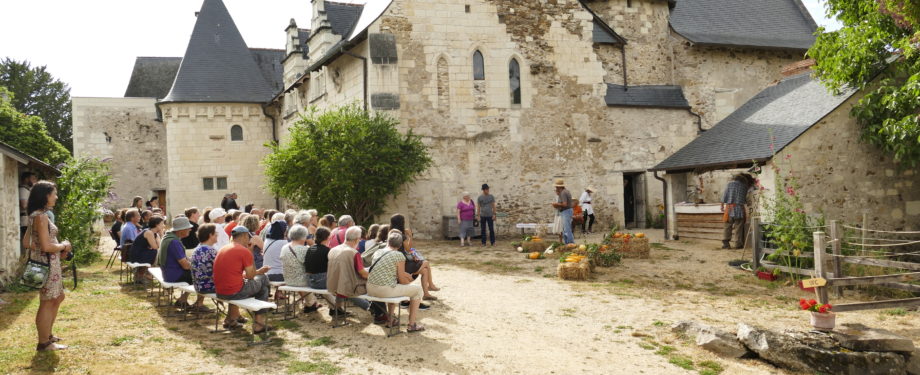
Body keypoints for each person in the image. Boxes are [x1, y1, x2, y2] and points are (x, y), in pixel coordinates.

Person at [23, 181, 72, 351]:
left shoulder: (36, 214)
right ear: (45, 196)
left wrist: (55, 249)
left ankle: (48, 335)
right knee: (48, 301)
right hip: (48, 264)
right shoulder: (41, 217)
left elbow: (26, 242)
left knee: (57, 297)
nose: (56, 197)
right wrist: (63, 246)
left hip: (48, 262)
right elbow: (46, 246)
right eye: (54, 194)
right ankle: (44, 342)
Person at [213, 226, 271, 332]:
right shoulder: (244, 251)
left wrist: (257, 272)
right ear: (244, 236)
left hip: (220, 291)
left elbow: (235, 274)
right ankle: (259, 323)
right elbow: (250, 276)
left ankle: (230, 319)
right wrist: (250, 253)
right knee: (263, 281)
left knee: (256, 281)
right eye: (248, 237)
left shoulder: (224, 248)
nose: (249, 240)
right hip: (234, 292)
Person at [326, 226, 388, 323]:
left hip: (333, 285)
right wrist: (375, 277)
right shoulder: (353, 253)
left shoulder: (333, 250)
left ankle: (338, 309)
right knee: (376, 284)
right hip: (350, 287)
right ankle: (380, 314)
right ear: (357, 239)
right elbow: (363, 274)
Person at [367, 230, 426, 332]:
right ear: (400, 245)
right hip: (385, 290)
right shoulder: (398, 255)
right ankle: (412, 325)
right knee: (417, 290)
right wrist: (410, 279)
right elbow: (402, 281)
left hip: (370, 288)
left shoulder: (378, 252)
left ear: (388, 242)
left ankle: (391, 320)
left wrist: (404, 277)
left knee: (395, 285)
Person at [159, 217, 209, 312]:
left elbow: (182, 260)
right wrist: (199, 267)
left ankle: (182, 300)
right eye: (188, 228)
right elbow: (185, 265)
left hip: (168, 272)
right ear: (181, 230)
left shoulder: (169, 237)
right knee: (205, 276)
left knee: (198, 273)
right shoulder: (174, 242)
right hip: (174, 274)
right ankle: (199, 304)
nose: (190, 229)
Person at [389, 214, 439, 302]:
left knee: (425, 270)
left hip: (399, 262)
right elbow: (408, 249)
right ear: (401, 223)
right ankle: (430, 285)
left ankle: (426, 294)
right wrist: (410, 236)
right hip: (403, 264)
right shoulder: (400, 235)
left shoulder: (390, 232)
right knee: (426, 263)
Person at [281, 225, 323, 313]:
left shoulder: (284, 247)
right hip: (301, 281)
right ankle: (334, 306)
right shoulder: (304, 250)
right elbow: (314, 266)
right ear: (303, 236)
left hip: (288, 279)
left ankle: (311, 303)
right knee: (322, 279)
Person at [129, 216, 165, 282]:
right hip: (137, 255)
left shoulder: (154, 233)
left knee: (156, 252)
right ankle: (148, 273)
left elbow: (159, 246)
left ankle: (144, 274)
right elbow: (156, 247)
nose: (163, 226)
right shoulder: (149, 232)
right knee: (156, 252)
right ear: (157, 225)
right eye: (162, 224)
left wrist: (160, 235)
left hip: (142, 253)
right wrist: (161, 235)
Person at [721, 174, 751, 249]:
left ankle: (726, 244)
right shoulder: (745, 187)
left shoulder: (729, 184)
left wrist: (721, 206)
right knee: (738, 227)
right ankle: (738, 244)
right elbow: (746, 200)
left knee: (727, 226)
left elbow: (724, 196)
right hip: (740, 209)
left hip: (729, 208)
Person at [191, 224, 219, 294]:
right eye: (215, 233)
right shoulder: (211, 251)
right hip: (209, 287)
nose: (217, 235)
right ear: (210, 235)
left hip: (198, 286)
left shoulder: (197, 249)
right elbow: (222, 269)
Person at [551, 179, 574, 244]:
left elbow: (564, 204)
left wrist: (556, 204)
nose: (556, 188)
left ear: (559, 187)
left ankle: (570, 243)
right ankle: (567, 243)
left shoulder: (563, 193)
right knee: (565, 229)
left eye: (556, 187)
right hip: (567, 211)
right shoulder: (566, 191)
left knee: (567, 229)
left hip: (566, 211)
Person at [19, 172, 37, 239]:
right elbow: (23, 205)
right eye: (33, 179)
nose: (35, 181)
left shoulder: (27, 190)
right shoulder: (23, 190)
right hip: (25, 221)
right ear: (26, 179)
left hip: (28, 221)